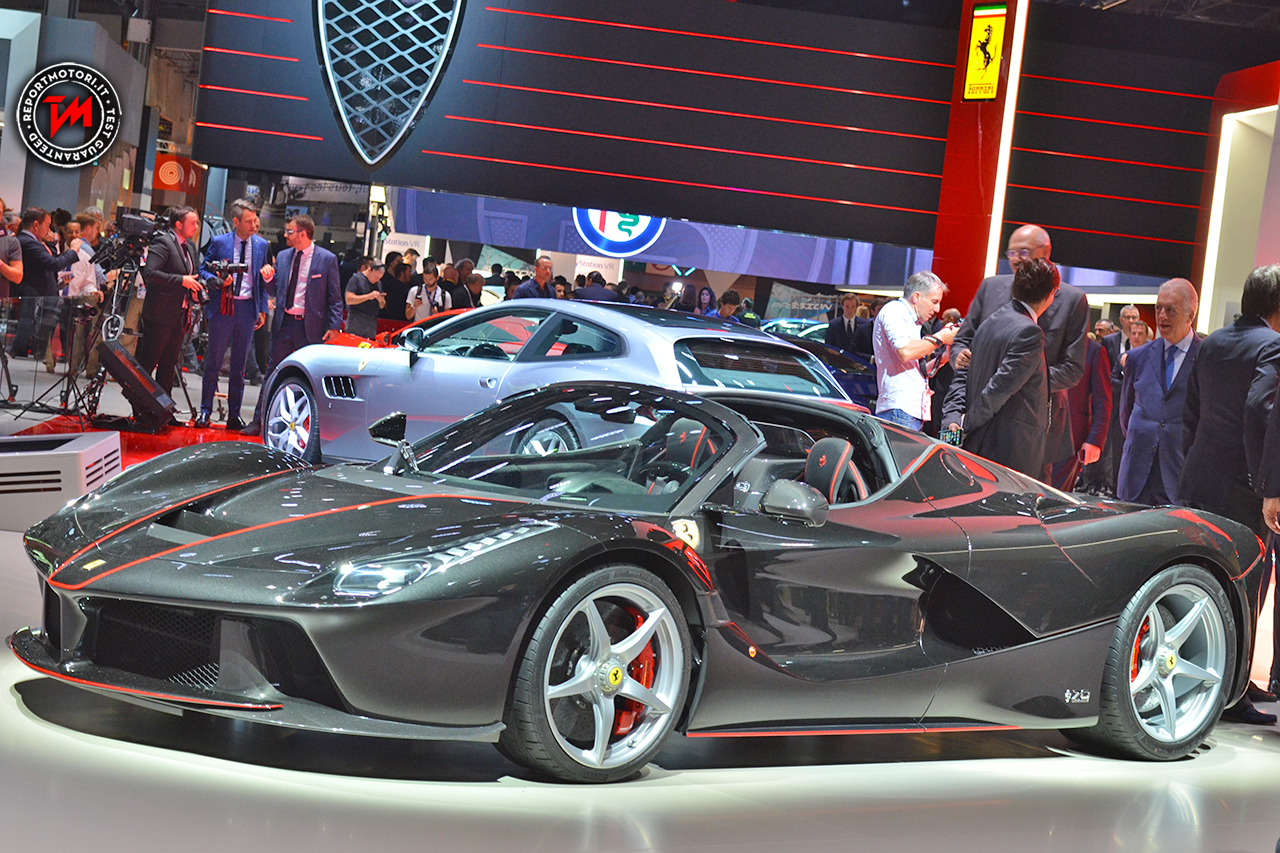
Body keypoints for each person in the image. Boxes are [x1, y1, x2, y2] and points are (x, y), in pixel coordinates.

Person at [1178, 264, 1280, 724]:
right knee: (1246, 585)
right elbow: (1260, 407)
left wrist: (1196, 459)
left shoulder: (1213, 341)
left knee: (1204, 579)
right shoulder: (1273, 345)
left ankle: (1213, 677)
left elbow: (1190, 412)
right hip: (1243, 486)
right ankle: (1234, 694)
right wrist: (1265, 482)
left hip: (1200, 478)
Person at [952, 225, 1088, 479]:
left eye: (1023, 252)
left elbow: (1073, 368)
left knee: (1026, 495)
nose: (1015, 259)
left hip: (1032, 425)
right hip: (981, 415)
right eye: (1011, 252)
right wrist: (959, 356)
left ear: (1045, 252)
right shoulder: (990, 288)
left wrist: (1022, 380)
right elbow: (962, 340)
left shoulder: (1072, 299)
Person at [942, 259, 1058, 477]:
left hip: (980, 444)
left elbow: (963, 374)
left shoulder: (989, 322)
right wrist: (965, 424)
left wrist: (953, 420)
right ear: (1052, 293)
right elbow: (998, 389)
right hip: (1008, 452)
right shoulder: (1030, 333)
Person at [243, 214, 342, 434]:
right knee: (272, 373)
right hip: (285, 323)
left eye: (289, 231)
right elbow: (275, 290)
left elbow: (334, 296)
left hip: (311, 327)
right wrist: (268, 279)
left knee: (310, 377)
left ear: (303, 234)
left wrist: (335, 325)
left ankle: (307, 425)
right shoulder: (283, 256)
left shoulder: (326, 259)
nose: (285, 235)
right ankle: (259, 421)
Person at [1117, 279, 1200, 506]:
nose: (1161, 316)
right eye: (1158, 308)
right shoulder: (1138, 357)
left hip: (1179, 477)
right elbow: (1125, 414)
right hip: (1136, 476)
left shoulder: (1206, 358)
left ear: (1190, 315)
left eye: (1170, 310)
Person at [194, 200, 273, 430]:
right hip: (222, 307)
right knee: (213, 362)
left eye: (255, 221)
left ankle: (234, 415)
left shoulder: (261, 245)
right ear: (236, 222)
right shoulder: (220, 242)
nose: (254, 225)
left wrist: (262, 309)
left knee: (240, 366)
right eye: (249, 221)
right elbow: (203, 270)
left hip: (247, 309)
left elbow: (261, 281)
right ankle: (205, 411)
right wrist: (218, 281)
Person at [873, 271, 956, 431]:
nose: (937, 309)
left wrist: (944, 357)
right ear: (916, 297)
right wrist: (941, 337)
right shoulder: (895, 311)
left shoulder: (911, 320)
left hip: (906, 411)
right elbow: (905, 352)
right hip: (899, 410)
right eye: (934, 301)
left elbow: (916, 370)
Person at [137, 206, 201, 406]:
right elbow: (150, 273)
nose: (196, 227)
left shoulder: (190, 246)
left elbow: (194, 275)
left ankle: (163, 409)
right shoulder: (163, 242)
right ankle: (139, 407)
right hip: (160, 314)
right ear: (178, 224)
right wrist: (181, 280)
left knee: (168, 366)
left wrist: (197, 289)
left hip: (180, 314)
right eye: (193, 223)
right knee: (148, 362)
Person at [10, 207, 79, 359]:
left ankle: (32, 351)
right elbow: (53, 264)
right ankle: (19, 349)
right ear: (36, 225)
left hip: (39, 295)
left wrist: (51, 244)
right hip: (31, 293)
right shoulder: (28, 242)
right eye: (47, 225)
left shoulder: (33, 242)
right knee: (27, 322)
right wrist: (73, 251)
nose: (49, 230)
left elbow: (50, 263)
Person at [1050, 335, 1111, 491]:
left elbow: (1102, 399)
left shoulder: (1093, 350)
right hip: (1030, 434)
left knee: (1055, 495)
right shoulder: (1040, 340)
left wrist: (1095, 440)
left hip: (1069, 439)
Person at [64, 213, 107, 377]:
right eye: (70, 232)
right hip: (61, 299)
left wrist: (93, 290)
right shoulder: (59, 250)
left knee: (79, 334)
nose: (74, 236)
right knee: (70, 334)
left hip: (78, 298)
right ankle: (71, 366)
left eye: (77, 232)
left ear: (82, 233)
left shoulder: (85, 253)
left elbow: (90, 280)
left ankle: (75, 368)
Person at [344, 258, 386, 339]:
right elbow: (348, 299)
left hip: (371, 323)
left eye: (380, 278)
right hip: (356, 321)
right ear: (370, 270)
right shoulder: (356, 279)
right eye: (376, 277)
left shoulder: (378, 283)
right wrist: (369, 296)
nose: (377, 280)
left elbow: (382, 306)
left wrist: (381, 301)